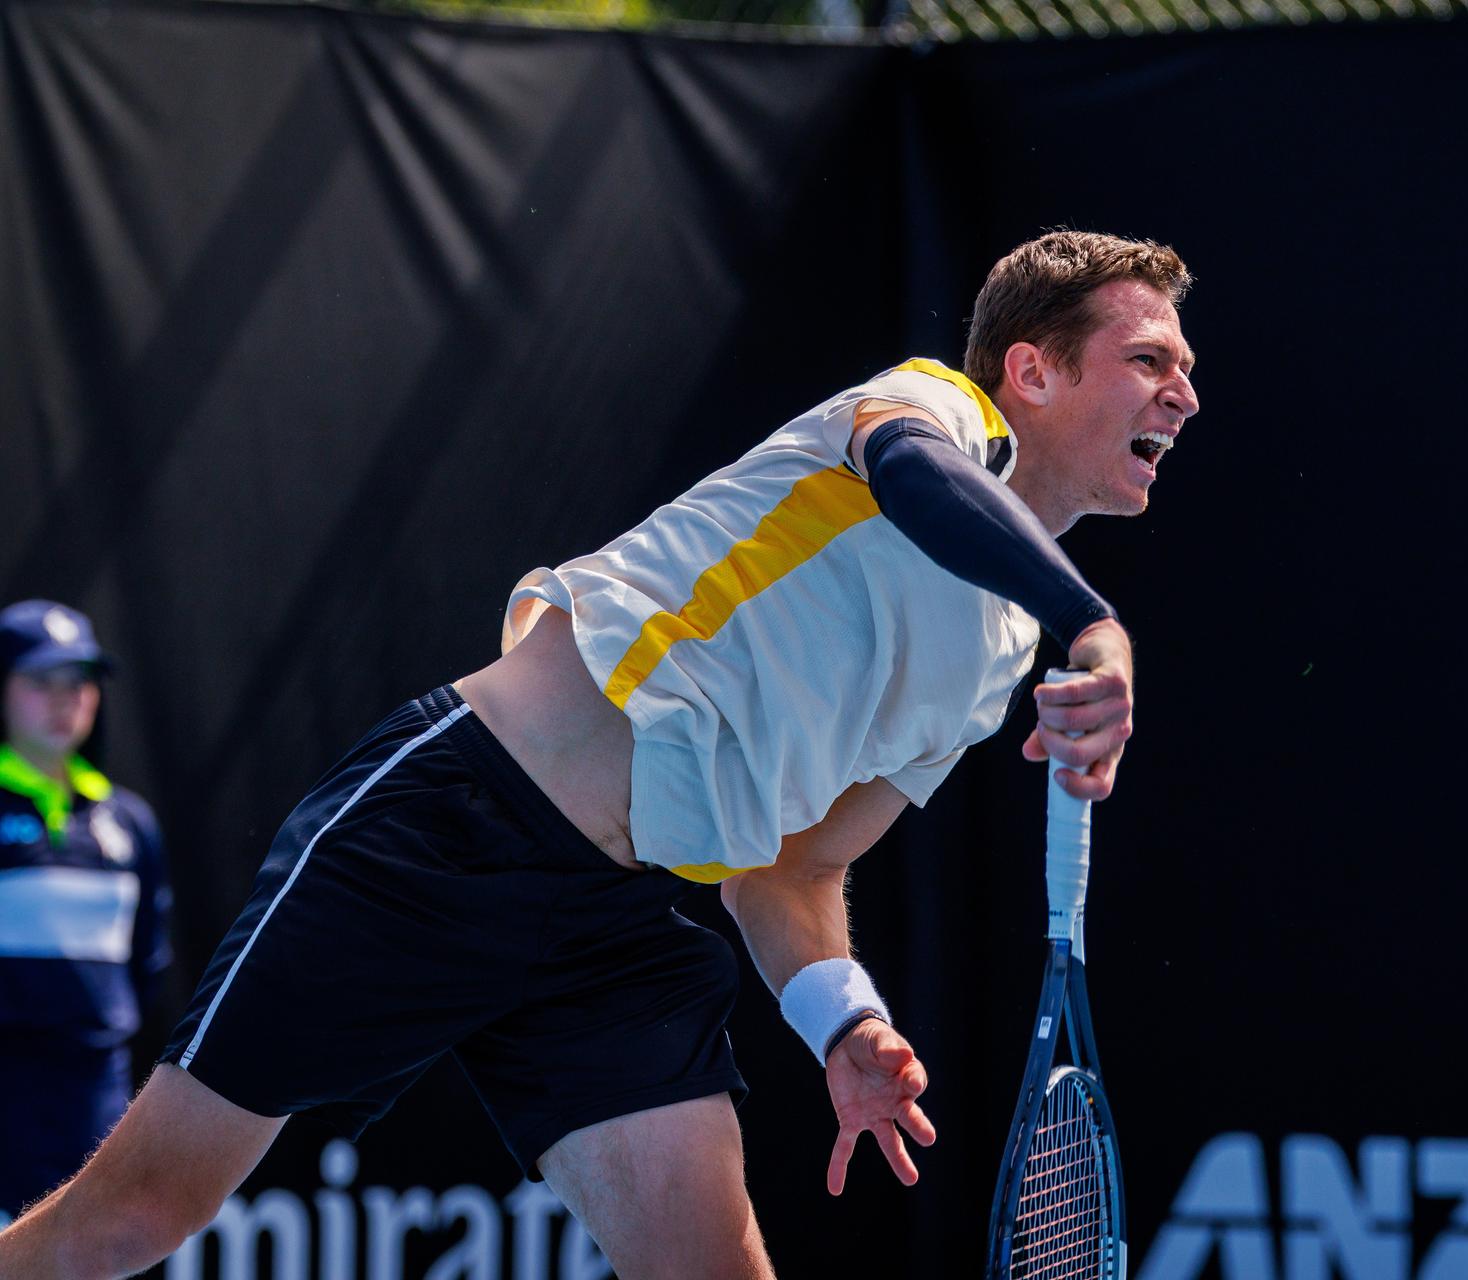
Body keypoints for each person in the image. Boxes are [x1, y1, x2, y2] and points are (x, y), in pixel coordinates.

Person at [0, 229, 1198, 1277]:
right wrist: (1092, 618)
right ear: (1031, 370)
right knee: (129, 1220)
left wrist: (846, 1022)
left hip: (608, 928)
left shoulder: (995, 656)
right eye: (1150, 361)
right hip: (451, 822)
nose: (1183, 396)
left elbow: (787, 870)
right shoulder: (931, 407)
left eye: (1186, 370)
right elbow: (912, 474)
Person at [0, 600, 171, 1221]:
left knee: (91, 1253)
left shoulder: (129, 823)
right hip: (6, 1097)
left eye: (78, 682)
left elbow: (147, 963)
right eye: (40, 681)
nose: (63, 699)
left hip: (95, 1100)